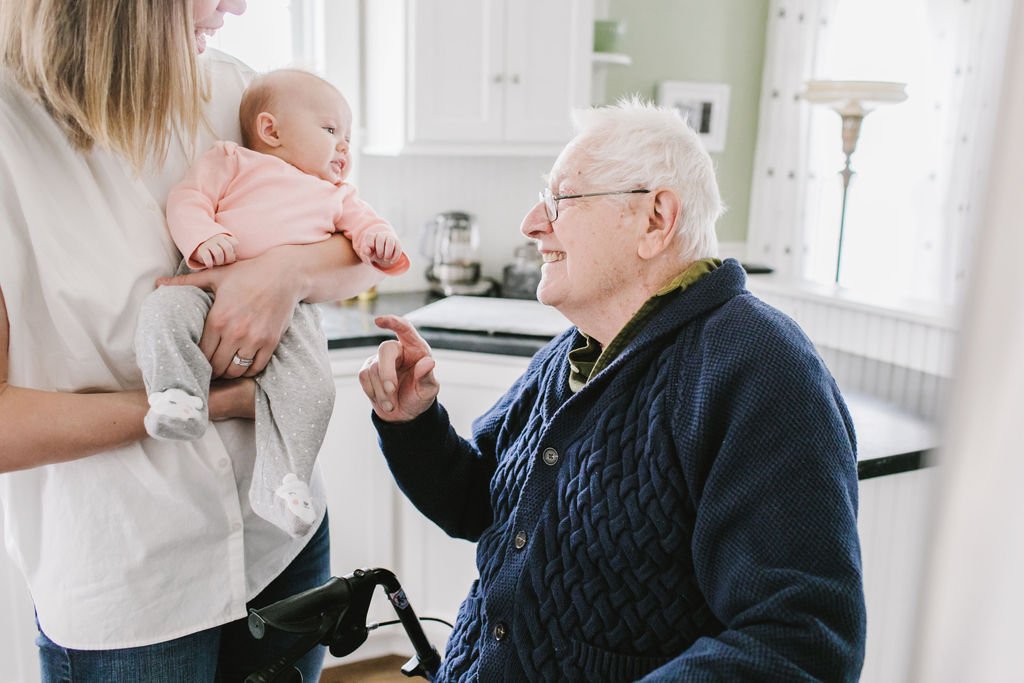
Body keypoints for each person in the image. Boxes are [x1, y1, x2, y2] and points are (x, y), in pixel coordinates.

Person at [359, 99, 866, 681]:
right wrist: (414, 424)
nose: (531, 223)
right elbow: (485, 507)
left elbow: (801, 642)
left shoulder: (758, 367)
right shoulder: (578, 348)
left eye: (560, 200)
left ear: (655, 219)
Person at [0, 1, 384, 680]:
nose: (237, 5)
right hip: (133, 590)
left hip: (281, 547)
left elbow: (360, 250)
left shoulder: (234, 89)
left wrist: (281, 274)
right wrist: (213, 401)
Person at [135, 68, 409, 537]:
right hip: (203, 286)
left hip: (294, 317)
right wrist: (204, 237)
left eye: (347, 136)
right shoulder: (232, 161)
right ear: (270, 130)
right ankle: (176, 394)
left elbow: (369, 231)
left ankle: (286, 479)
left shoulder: (337, 194)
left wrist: (379, 239)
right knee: (162, 312)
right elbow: (188, 200)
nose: (343, 145)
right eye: (330, 130)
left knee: (313, 390)